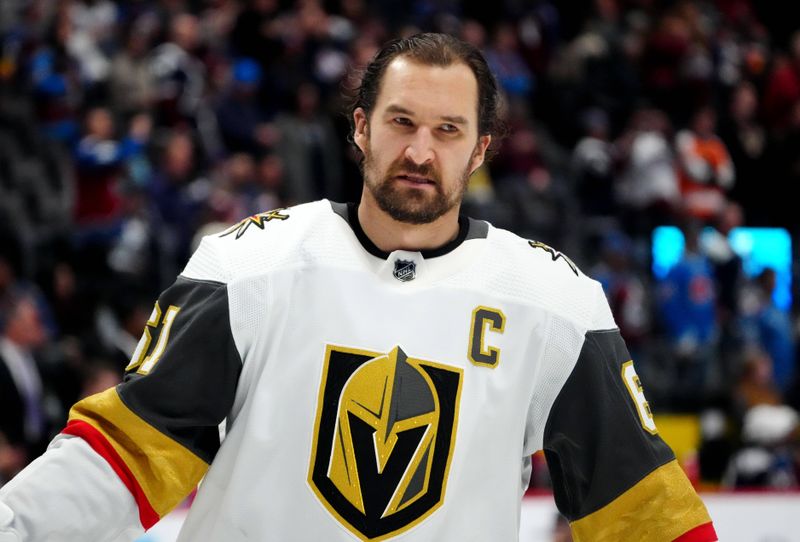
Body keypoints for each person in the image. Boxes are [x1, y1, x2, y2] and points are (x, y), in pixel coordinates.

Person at [0, 33, 715, 542]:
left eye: (447, 130)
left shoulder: (556, 306)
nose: (419, 151)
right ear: (362, 129)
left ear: (480, 151)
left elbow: (643, 513)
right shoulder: (249, 266)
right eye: (401, 122)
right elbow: (128, 455)